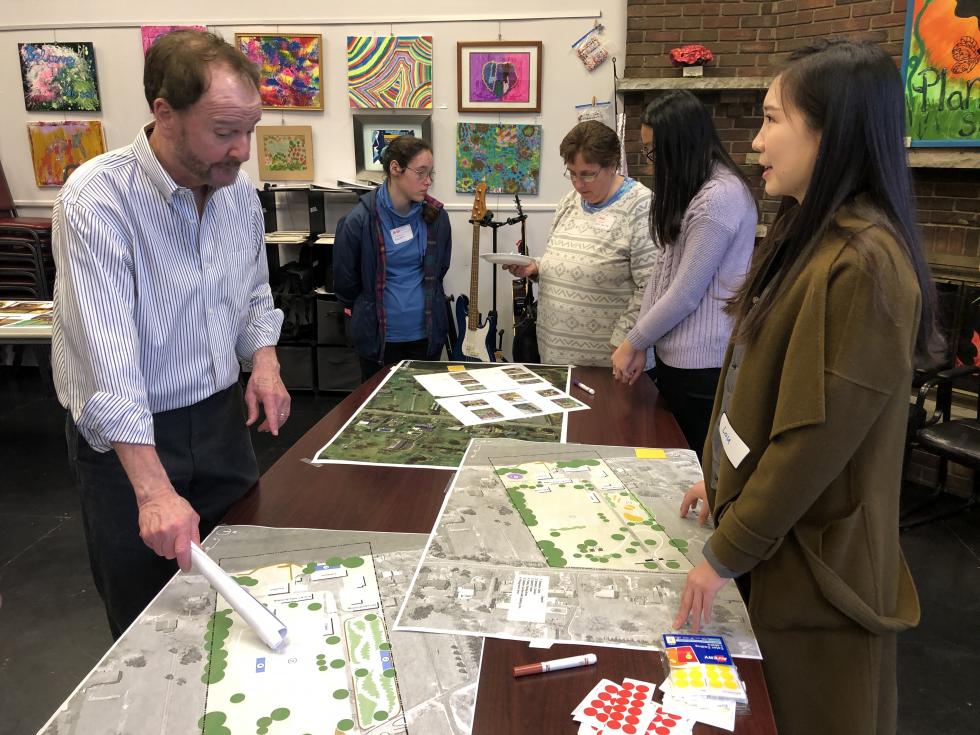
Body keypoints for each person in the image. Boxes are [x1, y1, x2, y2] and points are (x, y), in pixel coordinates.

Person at [672, 40, 937, 735]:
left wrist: (725, 552)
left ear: (830, 130)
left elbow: (811, 445)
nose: (754, 141)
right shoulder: (809, 233)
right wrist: (722, 480)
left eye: (770, 119)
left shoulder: (866, 263)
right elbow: (756, 390)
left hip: (819, 576)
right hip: (778, 551)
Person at [52, 30, 289, 637]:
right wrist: (153, 492)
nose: (241, 151)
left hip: (218, 422)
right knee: (147, 621)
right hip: (128, 439)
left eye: (249, 131)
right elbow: (107, 361)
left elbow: (253, 293)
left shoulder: (236, 194)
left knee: (244, 593)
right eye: (223, 131)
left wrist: (263, 362)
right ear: (164, 112)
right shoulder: (99, 198)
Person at [610, 91, 756, 459]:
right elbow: (661, 273)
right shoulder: (694, 190)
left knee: (691, 466)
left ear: (682, 145)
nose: (651, 164)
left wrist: (634, 341)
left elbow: (684, 293)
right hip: (677, 362)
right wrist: (642, 342)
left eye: (655, 153)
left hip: (702, 369)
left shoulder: (719, 199)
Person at [504, 121, 657, 367]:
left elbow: (650, 287)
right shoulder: (570, 201)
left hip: (609, 365)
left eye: (587, 174)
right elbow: (567, 260)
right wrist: (537, 268)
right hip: (554, 358)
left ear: (613, 165)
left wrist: (625, 341)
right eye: (572, 173)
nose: (578, 183)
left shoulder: (642, 206)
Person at [334, 136, 452, 382]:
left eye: (430, 173)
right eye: (420, 173)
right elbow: (346, 286)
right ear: (395, 168)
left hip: (426, 337)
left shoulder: (437, 218)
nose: (427, 181)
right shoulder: (358, 221)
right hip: (379, 341)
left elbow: (439, 270)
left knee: (424, 408)